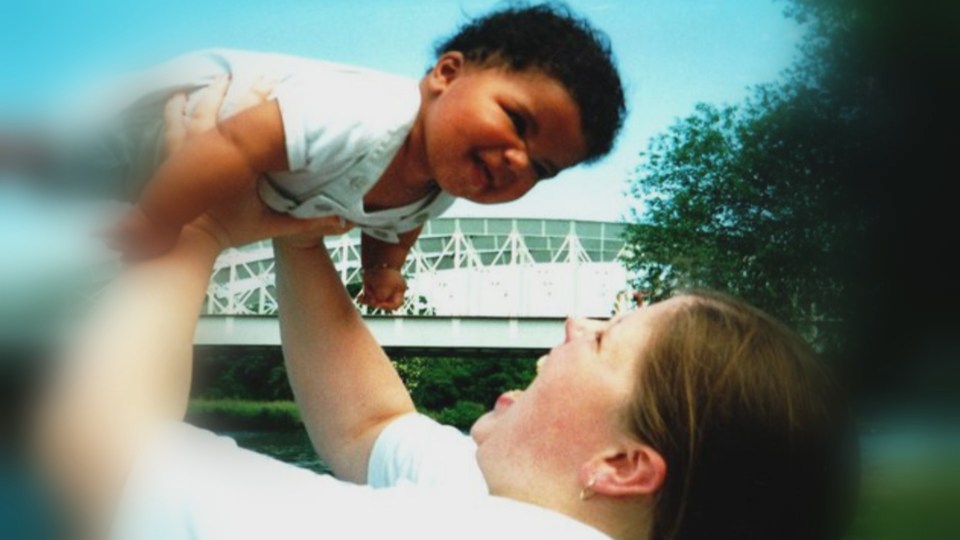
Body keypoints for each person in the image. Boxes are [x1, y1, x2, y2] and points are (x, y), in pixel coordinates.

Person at [32, 76, 855, 540]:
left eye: (605, 341)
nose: (573, 323)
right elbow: (367, 426)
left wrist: (196, 227)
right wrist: (303, 231)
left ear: (621, 467)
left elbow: (94, 461)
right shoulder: (521, 503)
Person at [81, 3, 626, 312]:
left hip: (204, 176)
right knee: (68, 156)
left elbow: (397, 223)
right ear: (447, 74)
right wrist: (157, 220)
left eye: (543, 168)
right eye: (517, 122)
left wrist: (384, 268)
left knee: (77, 193)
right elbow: (235, 145)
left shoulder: (440, 192)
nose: (518, 162)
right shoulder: (362, 114)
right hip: (181, 121)